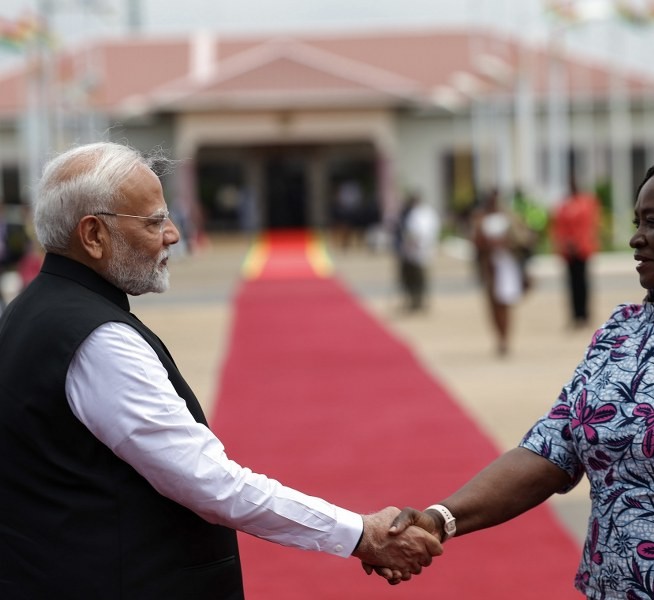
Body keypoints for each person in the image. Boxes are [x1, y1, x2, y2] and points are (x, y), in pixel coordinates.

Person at [0, 142, 442, 599]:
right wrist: (359, 534)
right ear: (92, 235)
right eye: (154, 222)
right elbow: (207, 482)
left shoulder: (29, 311)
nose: (173, 234)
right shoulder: (97, 338)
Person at [380, 146, 654, 598]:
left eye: (653, 222)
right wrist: (441, 518)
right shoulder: (620, 333)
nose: (637, 237)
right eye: (637, 221)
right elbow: (551, 448)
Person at [471, 188, 534, 355]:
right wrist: (487, 244)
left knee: (505, 303)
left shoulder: (510, 217)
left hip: (507, 266)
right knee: (492, 304)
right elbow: (475, 243)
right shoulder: (480, 218)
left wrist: (507, 242)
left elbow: (524, 238)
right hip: (490, 266)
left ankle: (506, 338)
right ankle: (499, 336)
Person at [551, 173, 601, 329]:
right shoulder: (564, 205)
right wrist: (566, 243)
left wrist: (579, 242)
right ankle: (575, 315)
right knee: (571, 284)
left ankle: (584, 314)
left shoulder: (586, 202)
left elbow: (589, 225)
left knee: (583, 282)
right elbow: (558, 227)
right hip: (569, 251)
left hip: (582, 249)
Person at [394, 192, 440, 312]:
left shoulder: (426, 213)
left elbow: (423, 232)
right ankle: (413, 300)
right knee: (409, 278)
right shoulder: (411, 212)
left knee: (421, 278)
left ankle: (420, 301)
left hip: (421, 250)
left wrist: (414, 240)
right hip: (410, 251)